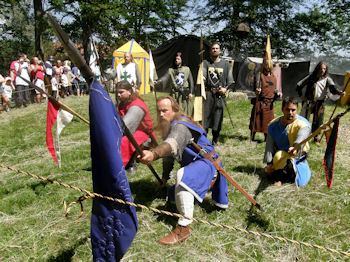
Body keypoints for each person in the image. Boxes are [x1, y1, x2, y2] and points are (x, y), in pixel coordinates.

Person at [138, 96, 228, 245]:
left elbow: (171, 144)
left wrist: (153, 154)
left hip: (208, 167)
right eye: (159, 111)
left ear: (175, 110)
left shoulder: (181, 126)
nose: (161, 114)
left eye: (165, 111)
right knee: (172, 198)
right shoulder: (170, 126)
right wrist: (165, 179)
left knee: (182, 176)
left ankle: (184, 228)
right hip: (197, 166)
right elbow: (169, 155)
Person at [264, 97, 312, 187]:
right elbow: (269, 146)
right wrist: (269, 163)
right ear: (282, 109)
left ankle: (290, 173)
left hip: (297, 156)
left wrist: (295, 147)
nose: (290, 113)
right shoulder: (273, 125)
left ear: (297, 110)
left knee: (299, 181)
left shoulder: (303, 124)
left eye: (293, 110)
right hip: (281, 155)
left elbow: (301, 136)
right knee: (276, 162)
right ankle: (280, 176)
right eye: (287, 110)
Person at [296, 61, 345, 143]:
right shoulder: (311, 77)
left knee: (318, 121)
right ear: (317, 69)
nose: (322, 70)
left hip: (320, 103)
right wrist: (301, 96)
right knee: (304, 119)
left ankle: (315, 137)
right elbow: (299, 85)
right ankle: (302, 136)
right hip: (309, 102)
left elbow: (333, 89)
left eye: (324, 69)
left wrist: (339, 92)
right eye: (321, 68)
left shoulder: (327, 79)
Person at [116, 80, 156, 172]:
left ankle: (127, 163)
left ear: (129, 91)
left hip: (146, 134)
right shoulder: (123, 103)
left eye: (121, 92)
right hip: (133, 130)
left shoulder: (137, 106)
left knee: (125, 141)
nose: (118, 95)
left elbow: (127, 127)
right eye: (117, 92)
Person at [202, 42, 234, 145]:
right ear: (210, 50)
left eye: (217, 48)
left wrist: (225, 89)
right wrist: (201, 77)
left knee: (217, 118)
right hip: (208, 94)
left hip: (219, 95)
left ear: (220, 51)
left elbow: (230, 81)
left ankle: (215, 140)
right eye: (213, 48)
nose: (215, 50)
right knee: (205, 118)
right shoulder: (205, 63)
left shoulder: (225, 64)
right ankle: (204, 141)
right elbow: (203, 76)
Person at [249, 52, 281, 141]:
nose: (267, 66)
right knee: (256, 121)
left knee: (268, 122)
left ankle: (267, 138)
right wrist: (257, 91)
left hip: (269, 103)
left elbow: (274, 90)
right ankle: (252, 136)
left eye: (269, 64)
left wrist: (277, 94)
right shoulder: (259, 76)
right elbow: (255, 88)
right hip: (260, 102)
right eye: (266, 64)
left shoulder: (274, 77)